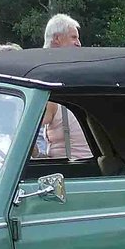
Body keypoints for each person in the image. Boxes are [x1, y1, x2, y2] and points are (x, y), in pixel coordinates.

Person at [41, 14, 92, 159]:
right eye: (74, 37)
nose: (79, 43)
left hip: (79, 170)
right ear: (57, 39)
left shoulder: (75, 76)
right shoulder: (48, 82)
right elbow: (25, 130)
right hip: (65, 171)